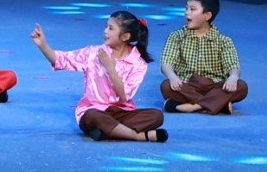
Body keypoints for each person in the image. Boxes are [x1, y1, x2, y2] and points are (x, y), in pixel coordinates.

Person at [31, 11, 167, 142]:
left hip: (122, 113)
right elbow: (61, 59)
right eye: (106, 26)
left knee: (156, 116)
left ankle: (107, 131)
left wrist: (111, 70)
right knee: (91, 116)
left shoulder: (138, 63)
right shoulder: (93, 53)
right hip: (95, 110)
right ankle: (137, 136)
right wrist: (43, 45)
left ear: (125, 37)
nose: (105, 31)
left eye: (110, 28)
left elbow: (125, 95)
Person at [161, 0, 247, 115]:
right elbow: (166, 62)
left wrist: (233, 77)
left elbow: (233, 65)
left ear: (207, 16)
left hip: (215, 85)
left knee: (241, 86)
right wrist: (171, 75)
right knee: (166, 86)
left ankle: (192, 107)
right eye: (186, 8)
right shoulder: (176, 37)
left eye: (192, 9)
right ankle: (218, 104)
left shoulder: (224, 41)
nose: (186, 13)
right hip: (187, 85)